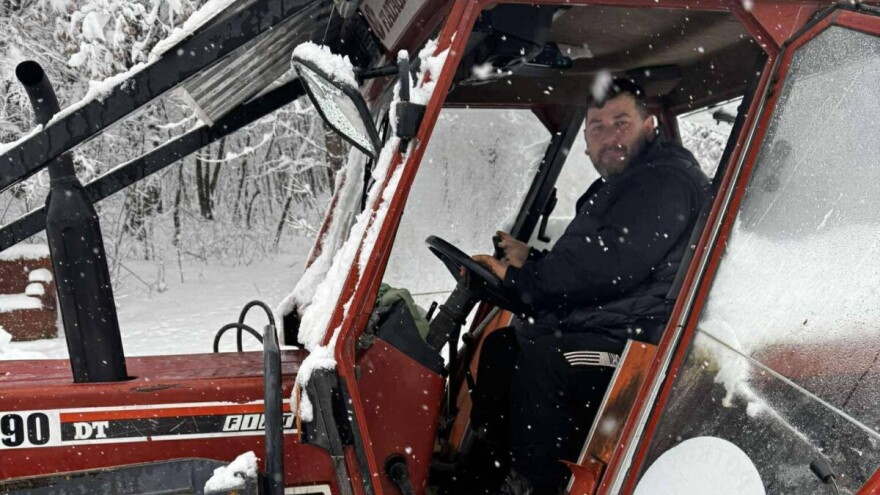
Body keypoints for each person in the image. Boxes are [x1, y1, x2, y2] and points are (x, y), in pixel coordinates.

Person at [467, 78, 710, 494]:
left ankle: (535, 486)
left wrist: (523, 279)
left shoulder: (664, 181)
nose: (609, 137)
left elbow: (610, 265)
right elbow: (593, 261)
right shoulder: (629, 182)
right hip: (608, 326)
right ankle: (485, 473)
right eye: (597, 127)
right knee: (502, 347)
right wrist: (531, 261)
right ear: (585, 141)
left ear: (649, 126)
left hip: (642, 343)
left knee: (546, 362)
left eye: (621, 123)